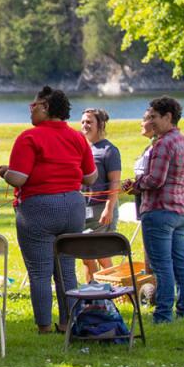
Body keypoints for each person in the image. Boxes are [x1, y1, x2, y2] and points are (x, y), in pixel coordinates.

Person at [0, 86, 97, 334]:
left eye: (35, 105)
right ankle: (67, 323)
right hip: (73, 207)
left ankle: (43, 326)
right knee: (66, 270)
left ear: (47, 108)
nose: (31, 109)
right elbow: (91, 177)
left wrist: (4, 173)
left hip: (38, 209)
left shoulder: (29, 137)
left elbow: (18, 179)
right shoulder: (77, 138)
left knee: (40, 272)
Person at [123, 96, 184, 323]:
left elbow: (155, 180)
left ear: (168, 117)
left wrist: (136, 185)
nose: (151, 121)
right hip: (181, 210)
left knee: (161, 266)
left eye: (155, 117)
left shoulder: (163, 143)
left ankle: (163, 314)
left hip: (159, 210)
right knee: (180, 262)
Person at [79, 108, 121, 282]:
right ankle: (91, 292)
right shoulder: (82, 148)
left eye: (89, 122)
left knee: (100, 254)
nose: (85, 125)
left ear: (100, 125)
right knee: (85, 256)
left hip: (101, 209)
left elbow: (115, 183)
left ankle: (118, 290)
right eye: (82, 122)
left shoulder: (109, 150)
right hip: (82, 208)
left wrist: (109, 208)